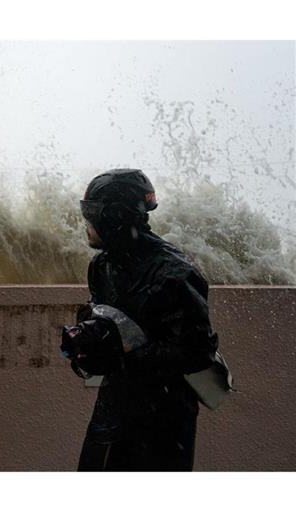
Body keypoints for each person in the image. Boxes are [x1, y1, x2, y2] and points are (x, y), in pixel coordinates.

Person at [61, 168, 219, 471]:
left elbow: (199, 351)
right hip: (112, 409)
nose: (86, 222)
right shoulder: (101, 266)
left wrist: (128, 352)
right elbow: (108, 323)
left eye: (91, 213)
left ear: (115, 217)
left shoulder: (175, 273)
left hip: (163, 420)